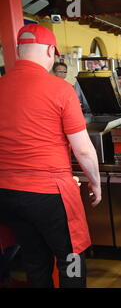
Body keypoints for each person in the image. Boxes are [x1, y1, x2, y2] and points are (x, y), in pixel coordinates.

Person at [0, 24, 101, 288]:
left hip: (7, 193)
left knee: (34, 260)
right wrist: (95, 182)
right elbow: (82, 149)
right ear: (49, 50)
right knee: (72, 260)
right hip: (49, 193)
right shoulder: (60, 89)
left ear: (21, 50)